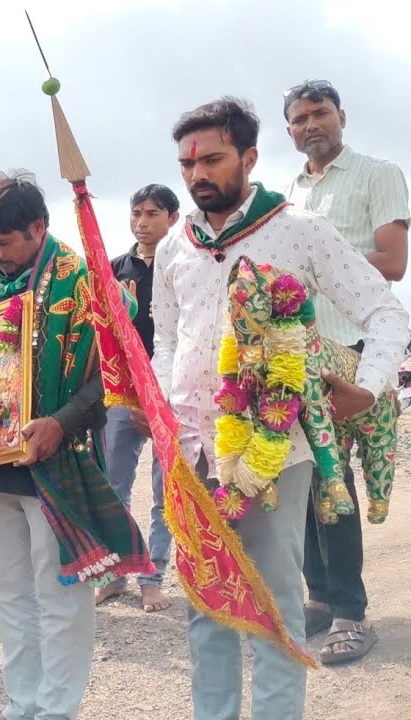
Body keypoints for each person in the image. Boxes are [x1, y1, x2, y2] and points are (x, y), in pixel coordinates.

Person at [153, 97, 408, 719]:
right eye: (187, 164)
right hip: (190, 452)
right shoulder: (172, 249)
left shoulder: (299, 231)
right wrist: (159, 400)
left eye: (211, 159)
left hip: (278, 452)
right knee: (207, 606)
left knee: (272, 610)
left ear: (250, 157)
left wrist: (369, 386)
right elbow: (165, 337)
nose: (196, 175)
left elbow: (386, 311)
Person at [0, 171, 149, 719]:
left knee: (60, 595)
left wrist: (62, 421)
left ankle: (57, 710)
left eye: (4, 242)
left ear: (38, 227)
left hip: (58, 463)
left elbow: (118, 374)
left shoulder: (84, 280)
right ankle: (21, 704)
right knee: (9, 593)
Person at [282, 79, 410, 664]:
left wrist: (317, 263)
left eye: (321, 113)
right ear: (288, 131)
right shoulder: (290, 192)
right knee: (306, 476)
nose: (312, 124)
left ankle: (351, 611)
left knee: (336, 481)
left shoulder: (378, 173)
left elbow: (392, 262)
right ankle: (318, 597)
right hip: (300, 354)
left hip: (357, 353)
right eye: (300, 118)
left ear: (342, 116)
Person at [95, 184, 181, 613]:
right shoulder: (112, 270)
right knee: (113, 486)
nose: (143, 222)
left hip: (173, 391)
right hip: (122, 390)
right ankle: (115, 573)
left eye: (153, 214)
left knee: (166, 490)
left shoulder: (186, 265)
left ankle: (153, 576)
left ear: (173, 218)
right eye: (137, 213)